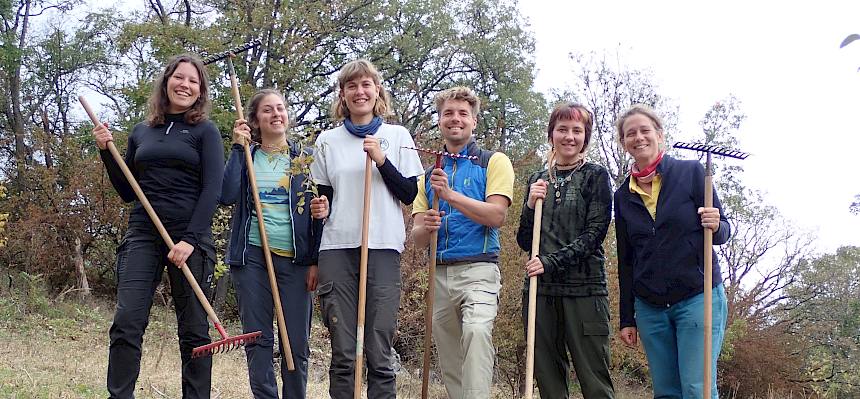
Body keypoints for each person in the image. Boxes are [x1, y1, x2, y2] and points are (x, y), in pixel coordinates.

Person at [91, 54, 223, 399]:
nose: (185, 85)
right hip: (143, 234)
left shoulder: (205, 132)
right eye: (179, 78)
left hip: (190, 237)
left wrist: (190, 239)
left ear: (200, 91)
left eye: (193, 81)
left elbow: (213, 189)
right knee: (127, 322)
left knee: (194, 332)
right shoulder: (141, 132)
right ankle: (120, 395)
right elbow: (126, 190)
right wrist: (107, 152)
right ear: (166, 83)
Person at [308, 59, 424, 399]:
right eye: (352, 86)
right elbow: (323, 199)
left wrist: (382, 160)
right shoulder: (327, 141)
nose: (360, 92)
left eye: (366, 85)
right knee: (344, 351)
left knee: (379, 348)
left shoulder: (397, 136)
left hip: (383, 246)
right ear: (343, 95)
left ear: (377, 91)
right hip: (337, 248)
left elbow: (409, 193)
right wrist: (321, 209)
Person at [614, 104, 730, 398]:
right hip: (650, 307)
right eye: (630, 133)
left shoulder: (691, 173)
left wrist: (716, 225)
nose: (638, 137)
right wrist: (627, 318)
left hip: (697, 296)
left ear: (659, 135)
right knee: (666, 392)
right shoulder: (623, 195)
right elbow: (626, 260)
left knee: (697, 388)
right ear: (624, 142)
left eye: (644, 130)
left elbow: (724, 232)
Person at [411, 86, 514, 399]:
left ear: (474, 121)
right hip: (439, 274)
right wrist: (426, 226)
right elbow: (416, 239)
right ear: (440, 121)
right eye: (448, 114)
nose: (455, 119)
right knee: (450, 357)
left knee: (477, 332)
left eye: (462, 114)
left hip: (480, 269)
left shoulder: (494, 162)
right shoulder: (426, 175)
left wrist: (450, 197)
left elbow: (497, 215)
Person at [220, 89, 323, 398]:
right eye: (267, 110)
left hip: (295, 261)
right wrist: (238, 150)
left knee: (296, 342)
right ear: (255, 120)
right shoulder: (247, 157)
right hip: (252, 259)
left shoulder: (304, 160)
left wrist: (315, 259)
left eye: (280, 108)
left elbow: (319, 214)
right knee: (258, 339)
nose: (276, 114)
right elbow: (225, 196)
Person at [516, 103, 615, 398]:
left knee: (594, 379)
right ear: (551, 135)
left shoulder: (596, 176)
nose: (569, 136)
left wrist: (551, 262)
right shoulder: (537, 179)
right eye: (562, 129)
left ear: (585, 136)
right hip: (540, 290)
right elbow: (524, 239)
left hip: (585, 290)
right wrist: (530, 205)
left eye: (577, 130)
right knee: (548, 379)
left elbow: (595, 234)